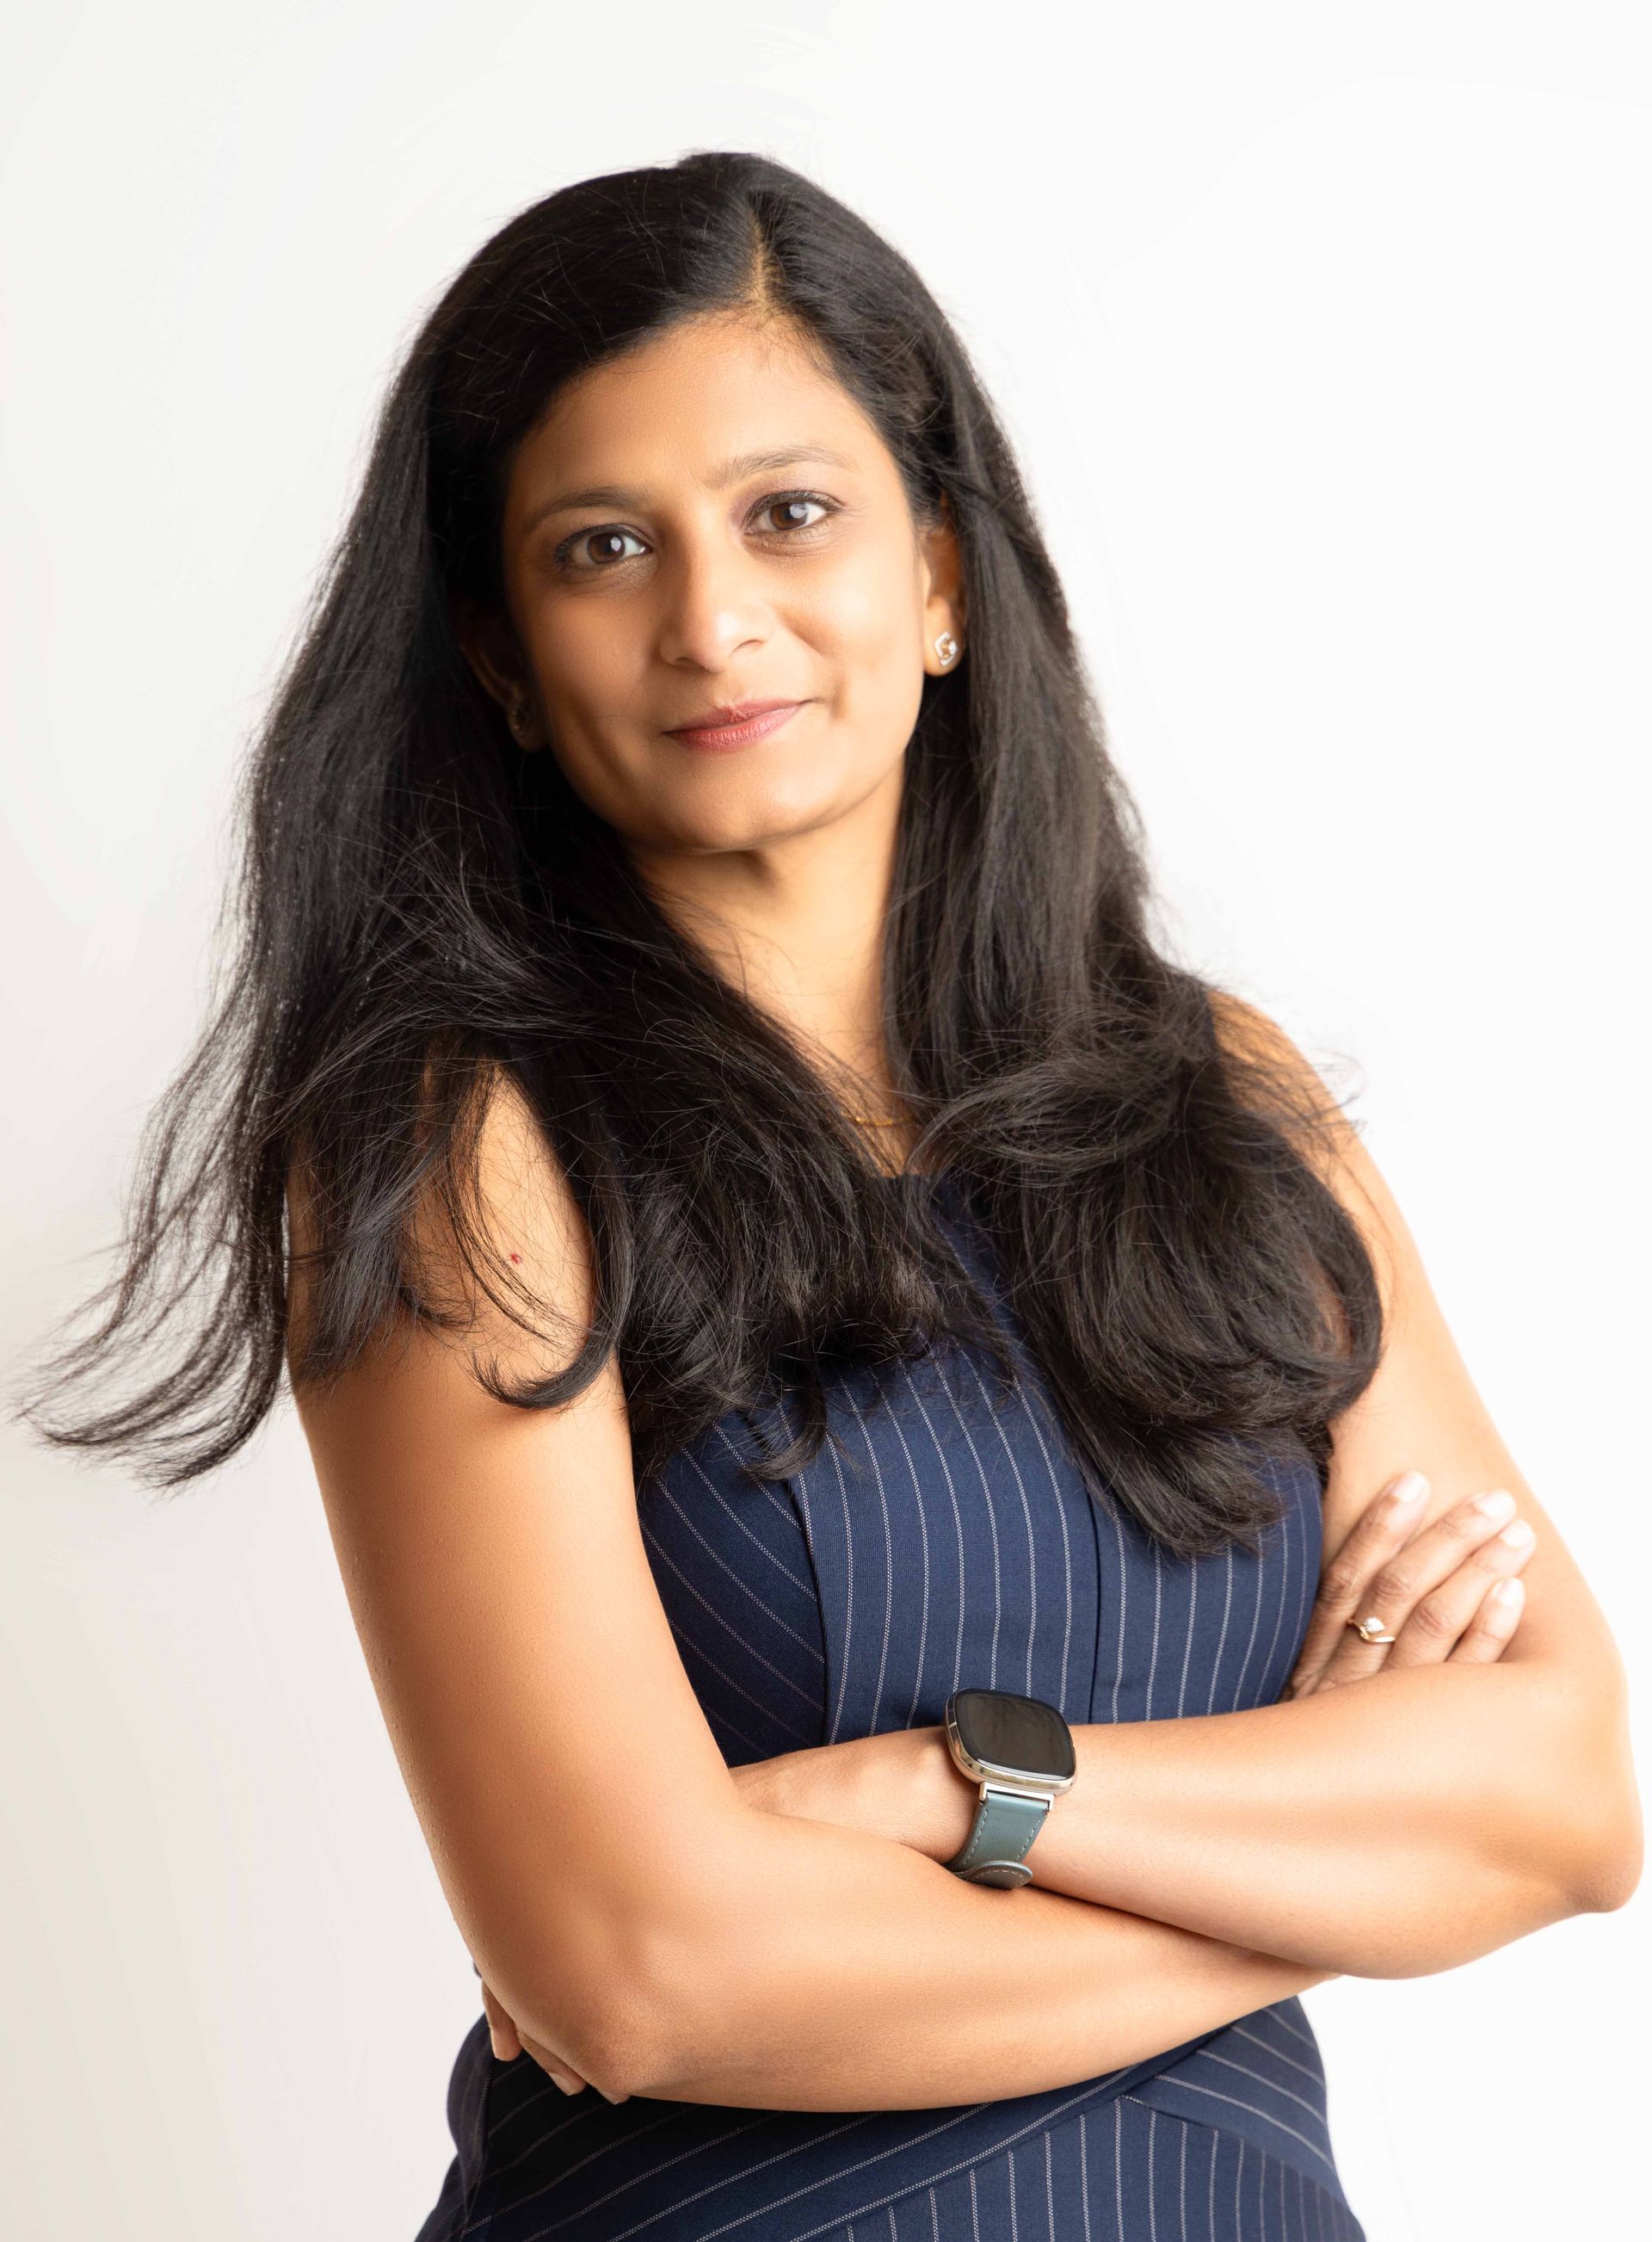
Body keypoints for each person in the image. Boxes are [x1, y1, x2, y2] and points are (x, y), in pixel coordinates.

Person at [21, 151, 1639, 2241]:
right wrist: (1336, 1875)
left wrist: (953, 1787)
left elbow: (1575, 1792)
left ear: (947, 577)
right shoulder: (461, 1154)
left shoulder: (1218, 1096)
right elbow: (640, 1970)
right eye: (605, 548)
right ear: (503, 660)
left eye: (791, 513)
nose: (713, 620)